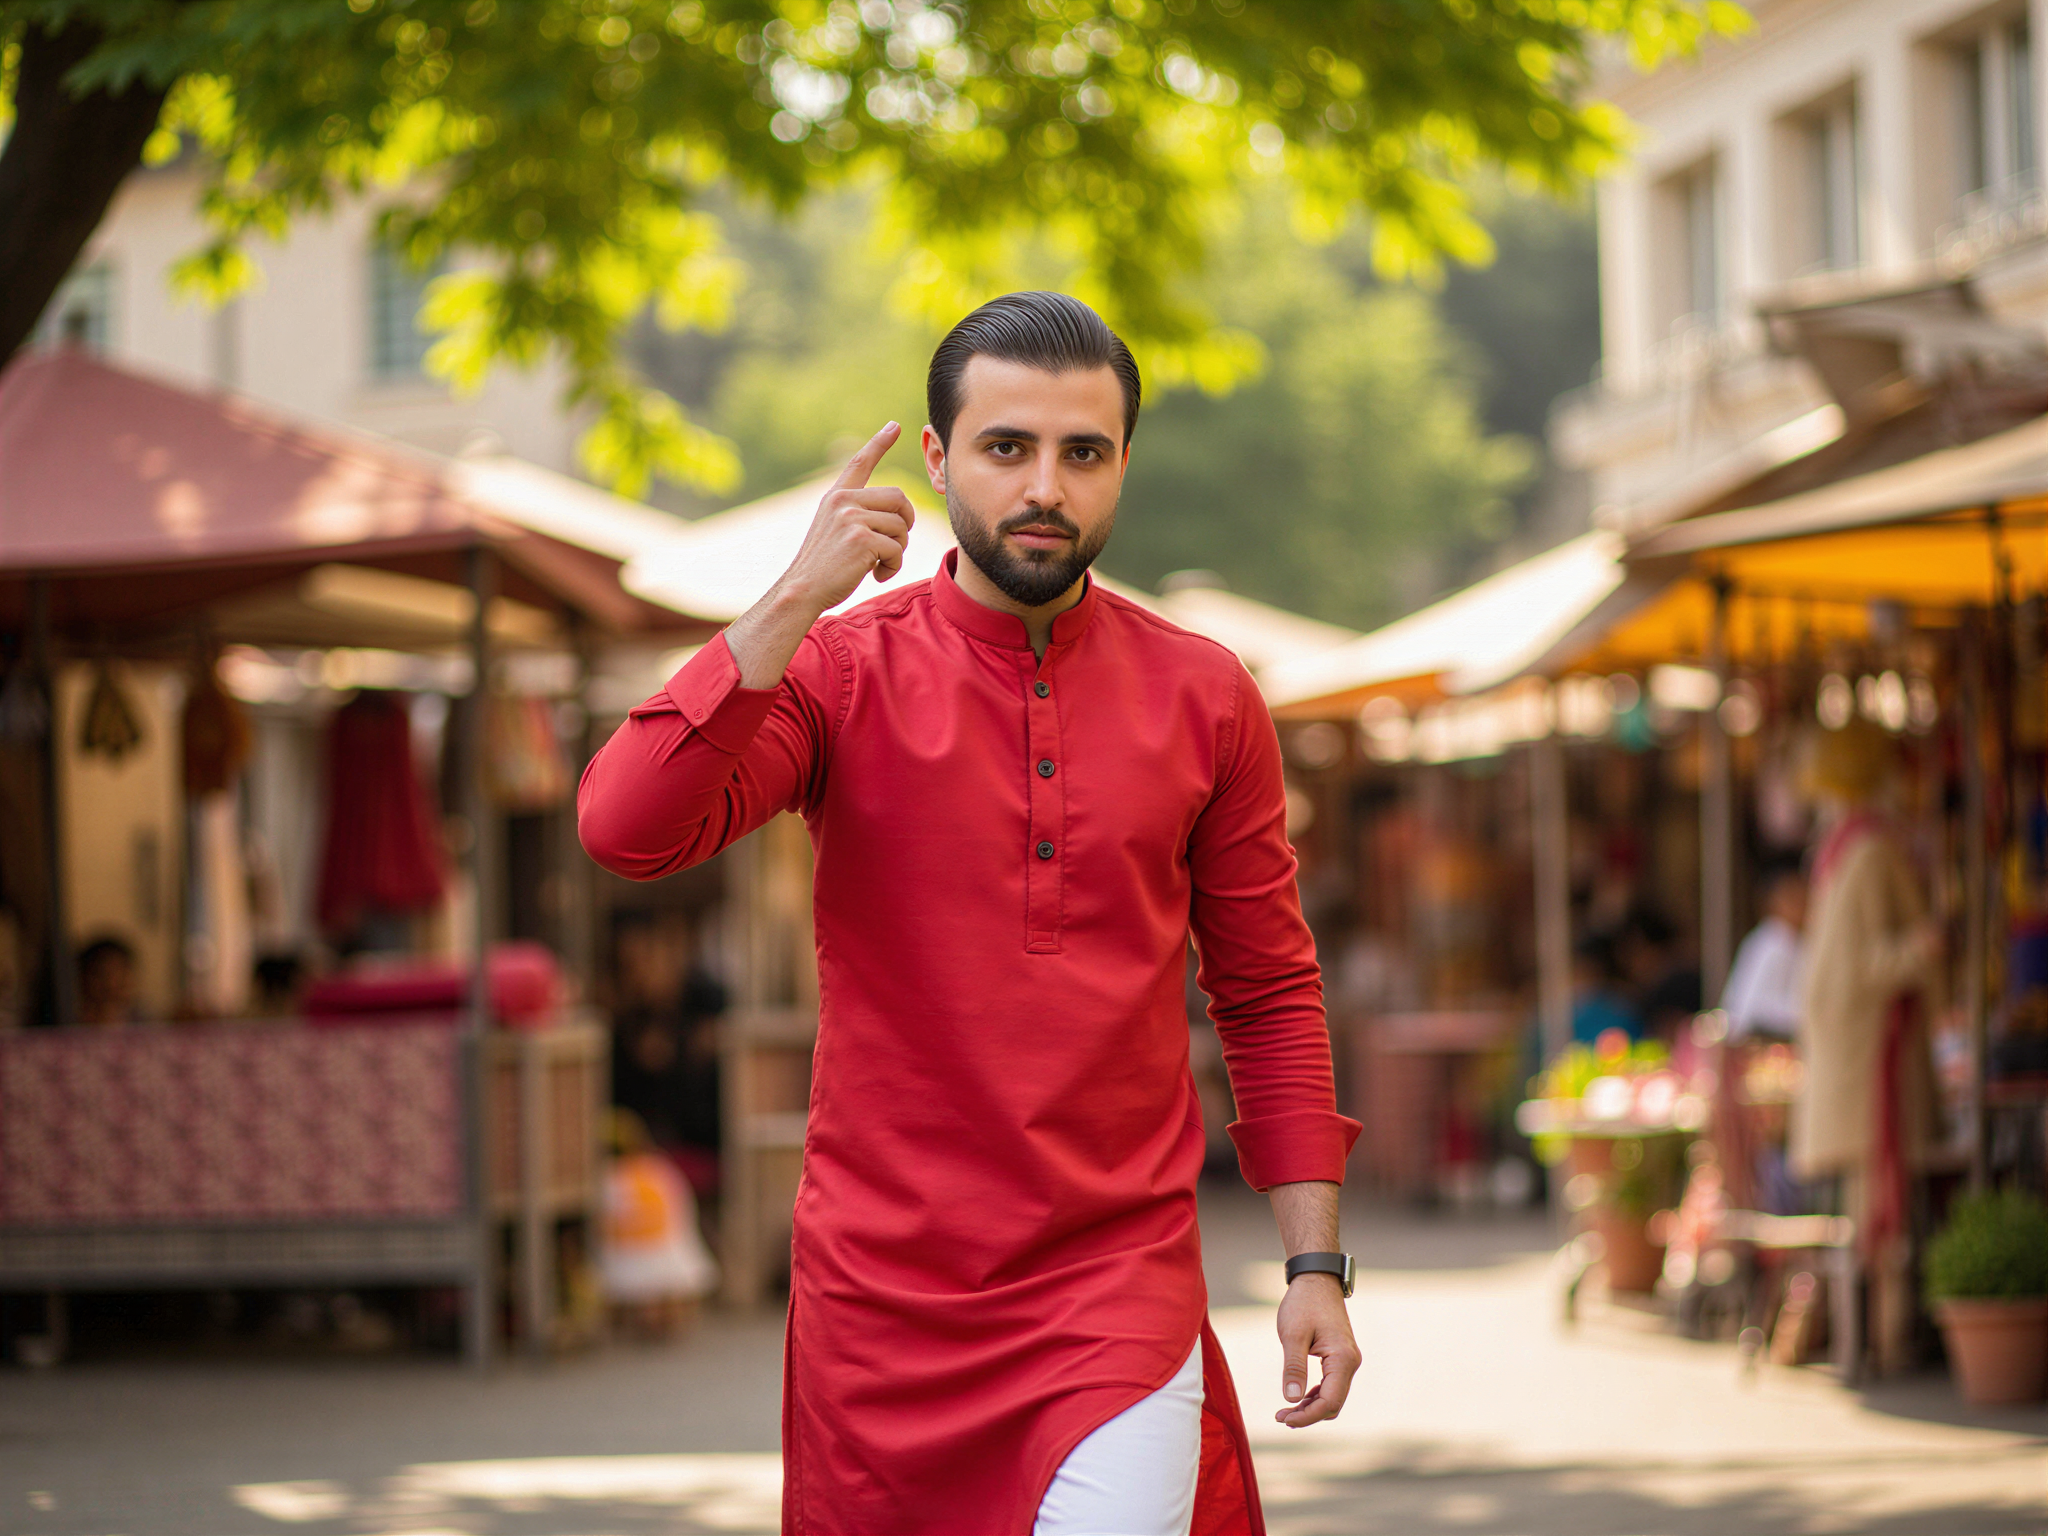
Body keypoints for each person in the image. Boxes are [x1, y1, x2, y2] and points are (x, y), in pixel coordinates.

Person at [580, 292, 1362, 1536]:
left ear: (1120, 468)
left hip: (1115, 1289)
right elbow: (627, 828)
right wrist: (792, 597)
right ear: (937, 460)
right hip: (882, 1310)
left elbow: (1265, 989)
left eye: (1082, 452)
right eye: (1006, 448)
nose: (1044, 485)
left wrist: (1312, 1262)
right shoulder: (835, 673)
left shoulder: (1207, 697)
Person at [1721, 862, 1806, 1042]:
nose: (1802, 904)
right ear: (1772, 903)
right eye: (1792, 898)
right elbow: (1757, 1006)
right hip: (1759, 1040)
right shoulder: (1776, 941)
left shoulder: (1780, 939)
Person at [76, 934, 142, 1026]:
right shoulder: (69, 1027)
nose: (111, 985)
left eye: (121, 977)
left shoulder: (146, 1026)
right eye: (102, 975)